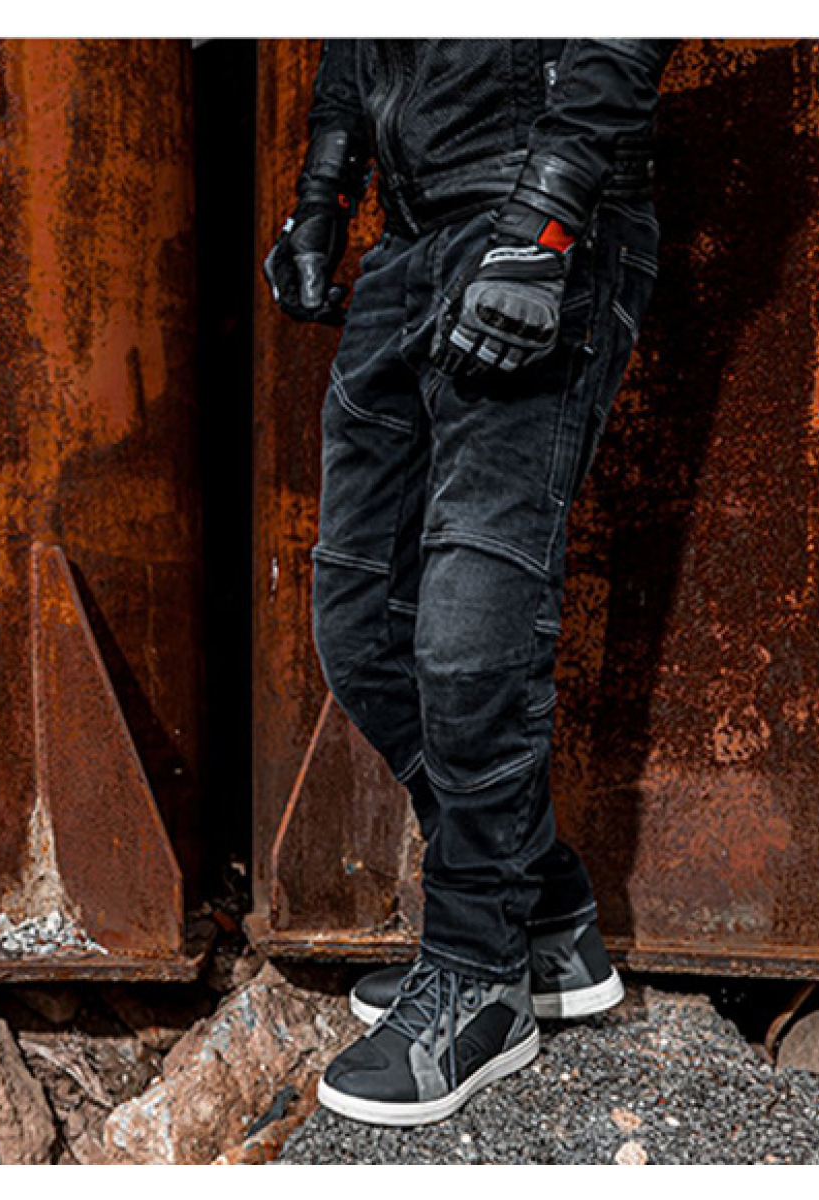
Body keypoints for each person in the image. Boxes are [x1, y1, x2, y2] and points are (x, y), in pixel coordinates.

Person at [264, 38, 676, 1127]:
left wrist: (544, 228)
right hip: (409, 241)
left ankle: (479, 972)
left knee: (469, 635)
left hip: (532, 228)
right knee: (362, 623)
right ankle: (544, 915)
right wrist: (322, 195)